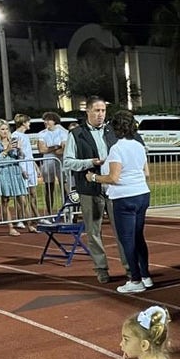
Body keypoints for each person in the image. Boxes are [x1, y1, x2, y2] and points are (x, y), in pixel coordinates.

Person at [64, 96, 127, 283]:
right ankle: (101, 269)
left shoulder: (112, 131)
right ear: (88, 112)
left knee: (122, 230)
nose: (100, 114)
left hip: (113, 187)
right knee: (94, 231)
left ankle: (130, 268)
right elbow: (68, 162)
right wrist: (89, 162)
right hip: (89, 188)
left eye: (103, 111)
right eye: (97, 111)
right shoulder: (77, 134)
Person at [90, 110, 153, 294]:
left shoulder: (117, 148)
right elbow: (146, 172)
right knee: (139, 237)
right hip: (142, 193)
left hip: (125, 196)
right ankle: (145, 275)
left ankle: (135, 279)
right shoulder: (139, 146)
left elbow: (114, 177)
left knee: (127, 240)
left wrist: (94, 177)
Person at [0, 119, 32, 236]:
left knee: (22, 198)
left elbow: (20, 157)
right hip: (3, 172)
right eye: (2, 129)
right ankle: (10, 227)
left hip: (15, 171)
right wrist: (7, 150)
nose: (5, 131)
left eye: (7, 129)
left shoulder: (13, 140)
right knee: (5, 200)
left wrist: (19, 149)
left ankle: (30, 224)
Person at [11, 113, 42, 220]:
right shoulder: (15, 136)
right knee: (22, 195)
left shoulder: (25, 136)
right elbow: (15, 154)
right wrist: (21, 169)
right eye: (28, 122)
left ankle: (37, 216)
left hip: (30, 166)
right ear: (23, 123)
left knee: (33, 193)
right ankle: (23, 218)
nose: (30, 124)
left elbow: (29, 154)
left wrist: (36, 166)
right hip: (22, 167)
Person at [37, 111, 68, 211]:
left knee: (64, 186)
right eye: (45, 120)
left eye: (48, 120)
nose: (45, 122)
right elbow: (42, 149)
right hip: (47, 162)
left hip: (60, 162)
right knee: (49, 187)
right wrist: (55, 147)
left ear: (54, 121)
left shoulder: (63, 132)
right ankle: (50, 211)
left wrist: (51, 149)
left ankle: (67, 209)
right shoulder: (42, 133)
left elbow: (63, 149)